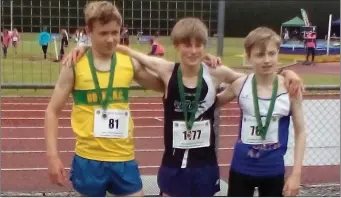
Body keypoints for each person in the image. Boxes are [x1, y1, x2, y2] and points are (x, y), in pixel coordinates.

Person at [63, 17, 303, 197]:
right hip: (173, 166)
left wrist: (286, 72)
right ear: (177, 46)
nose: (193, 50)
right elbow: (127, 52)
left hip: (205, 165)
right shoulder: (167, 71)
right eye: (187, 45)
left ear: (204, 47)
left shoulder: (216, 72)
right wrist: (84, 47)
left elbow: (256, 77)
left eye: (199, 45)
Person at [44, 1, 166, 197]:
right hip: (89, 159)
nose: (110, 39)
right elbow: (52, 111)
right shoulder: (74, 64)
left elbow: (165, 83)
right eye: (103, 33)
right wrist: (52, 157)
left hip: (124, 158)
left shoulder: (128, 62)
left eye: (115, 32)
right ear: (89, 31)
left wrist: (137, 55)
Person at [217, 27, 306, 197]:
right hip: (241, 169)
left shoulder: (291, 89)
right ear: (248, 56)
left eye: (272, 53)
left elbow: (300, 132)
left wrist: (296, 174)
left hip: (273, 171)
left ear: (278, 53)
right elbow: (210, 103)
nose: (267, 60)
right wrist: (213, 68)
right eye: (259, 55)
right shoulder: (240, 85)